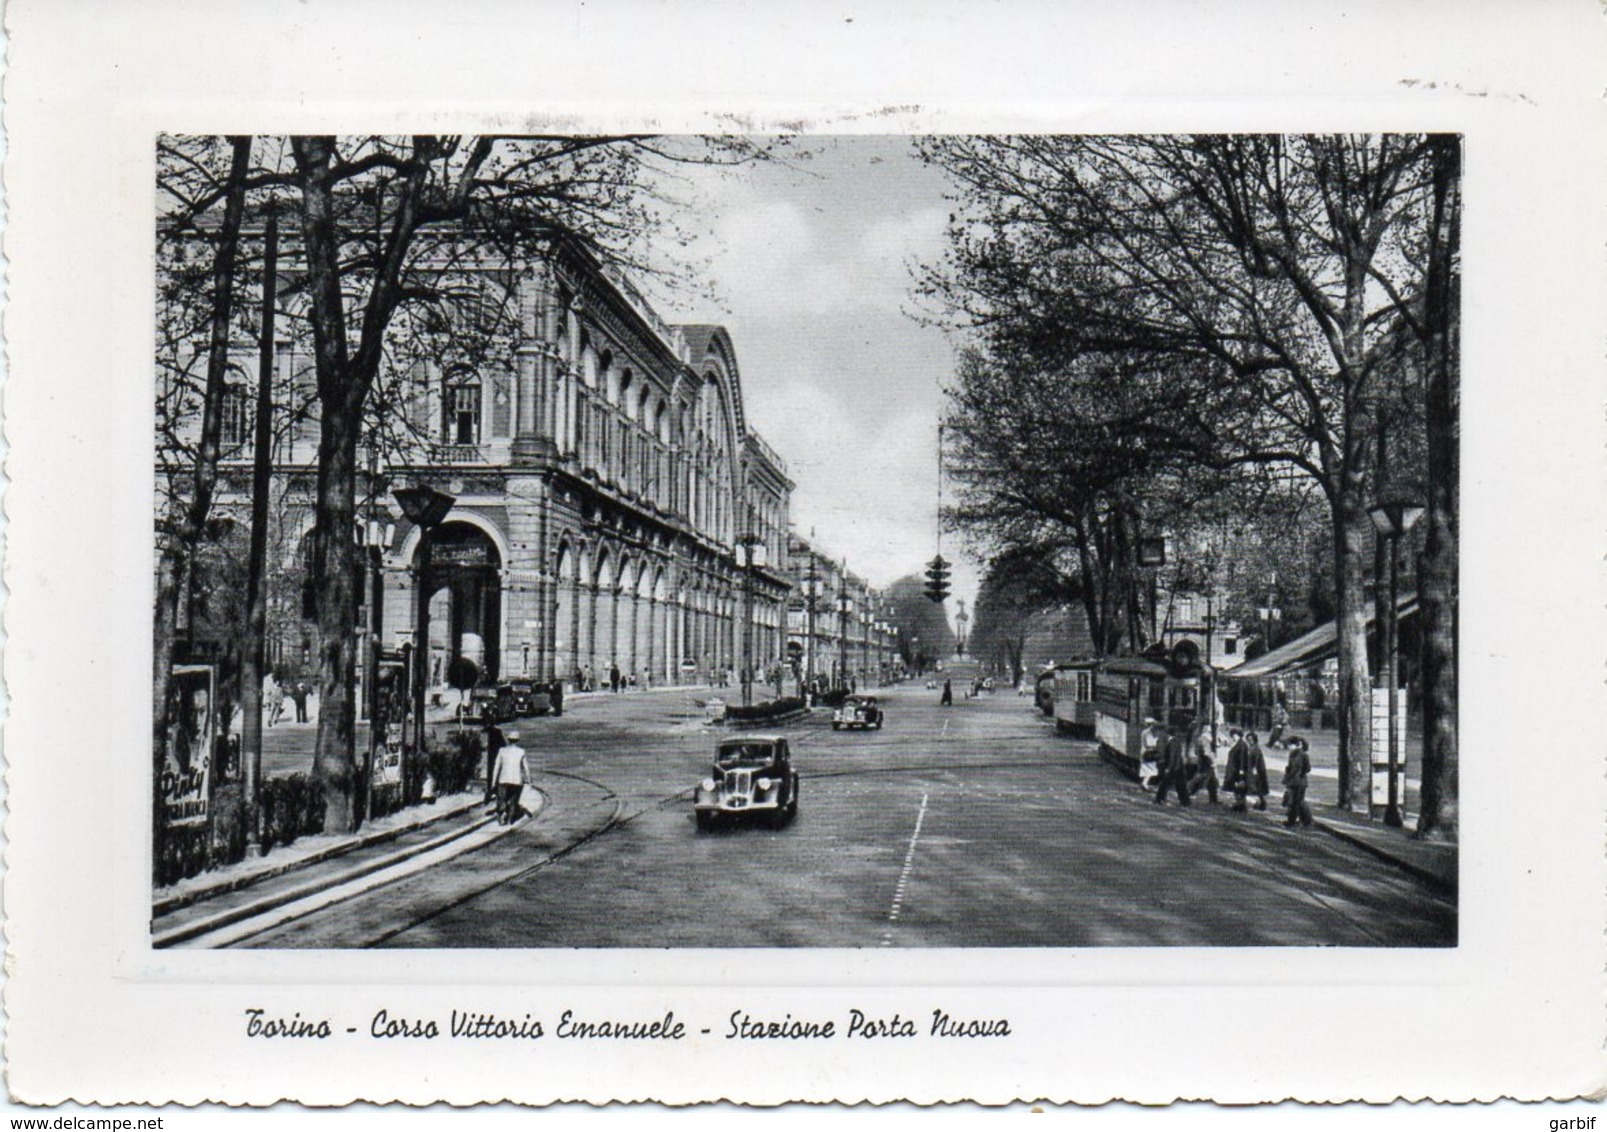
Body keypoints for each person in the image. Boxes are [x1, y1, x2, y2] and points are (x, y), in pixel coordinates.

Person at [1152, 724, 1193, 807]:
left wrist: (1168, 768)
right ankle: (1185, 801)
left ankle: (1159, 799)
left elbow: (1172, 756)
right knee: (1180, 785)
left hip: (1174, 767)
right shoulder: (1176, 741)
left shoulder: (1172, 742)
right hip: (1178, 767)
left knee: (1165, 784)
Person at [492, 730, 527, 825]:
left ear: (508, 740)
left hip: (503, 779)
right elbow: (525, 768)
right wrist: (529, 781)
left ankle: (502, 816)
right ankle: (510, 820)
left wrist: (493, 782)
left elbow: (496, 766)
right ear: (517, 740)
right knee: (513, 800)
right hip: (516, 780)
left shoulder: (502, 751)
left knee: (502, 798)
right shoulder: (521, 751)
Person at [1282, 736, 1313, 829]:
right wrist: (1287, 776)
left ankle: (1304, 821)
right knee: (1293, 802)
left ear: (1297, 745)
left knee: (1298, 802)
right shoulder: (1292, 754)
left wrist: (1300, 773)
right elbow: (1289, 767)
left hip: (1300, 782)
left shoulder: (1303, 755)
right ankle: (1293, 820)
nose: (1289, 747)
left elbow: (1308, 768)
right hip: (1292, 781)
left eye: (1290, 745)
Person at [1189, 722, 1220, 804]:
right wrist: (1211, 760)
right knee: (1200, 778)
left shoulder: (1200, 739)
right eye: (1210, 731)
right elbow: (1206, 752)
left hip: (1203, 761)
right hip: (1206, 762)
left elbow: (1196, 751)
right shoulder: (1205, 740)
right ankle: (1190, 791)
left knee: (1211, 781)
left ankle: (1213, 799)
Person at [1244, 729, 1270, 810]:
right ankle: (1261, 803)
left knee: (1257, 786)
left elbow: (1256, 759)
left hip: (1257, 770)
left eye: (1251, 739)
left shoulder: (1256, 748)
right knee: (1257, 787)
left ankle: (1261, 803)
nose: (1249, 741)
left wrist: (1254, 769)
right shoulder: (1251, 748)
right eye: (1248, 740)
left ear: (1254, 740)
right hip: (1252, 769)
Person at [1138, 717, 1166, 791]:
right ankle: (1145, 784)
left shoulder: (1145, 732)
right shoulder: (1148, 733)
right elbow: (1148, 744)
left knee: (1149, 770)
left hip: (1147, 752)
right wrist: (1156, 745)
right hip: (1148, 753)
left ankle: (1145, 783)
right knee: (1150, 770)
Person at [482, 721, 506, 804]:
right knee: (493, 773)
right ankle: (492, 789)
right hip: (493, 756)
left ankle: (492, 790)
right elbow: (503, 744)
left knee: (493, 772)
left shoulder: (495, 733)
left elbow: (502, 745)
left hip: (494, 756)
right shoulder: (495, 732)